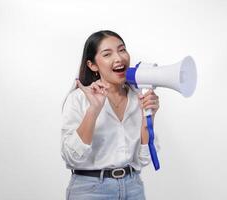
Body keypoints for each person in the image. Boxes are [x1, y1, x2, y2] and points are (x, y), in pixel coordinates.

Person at [61, 30, 160, 200]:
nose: (119, 58)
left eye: (122, 50)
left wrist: (148, 117)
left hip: (133, 187)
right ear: (92, 65)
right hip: (91, 190)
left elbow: (143, 159)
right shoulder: (78, 99)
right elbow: (72, 158)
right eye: (107, 54)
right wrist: (93, 110)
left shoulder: (137, 96)